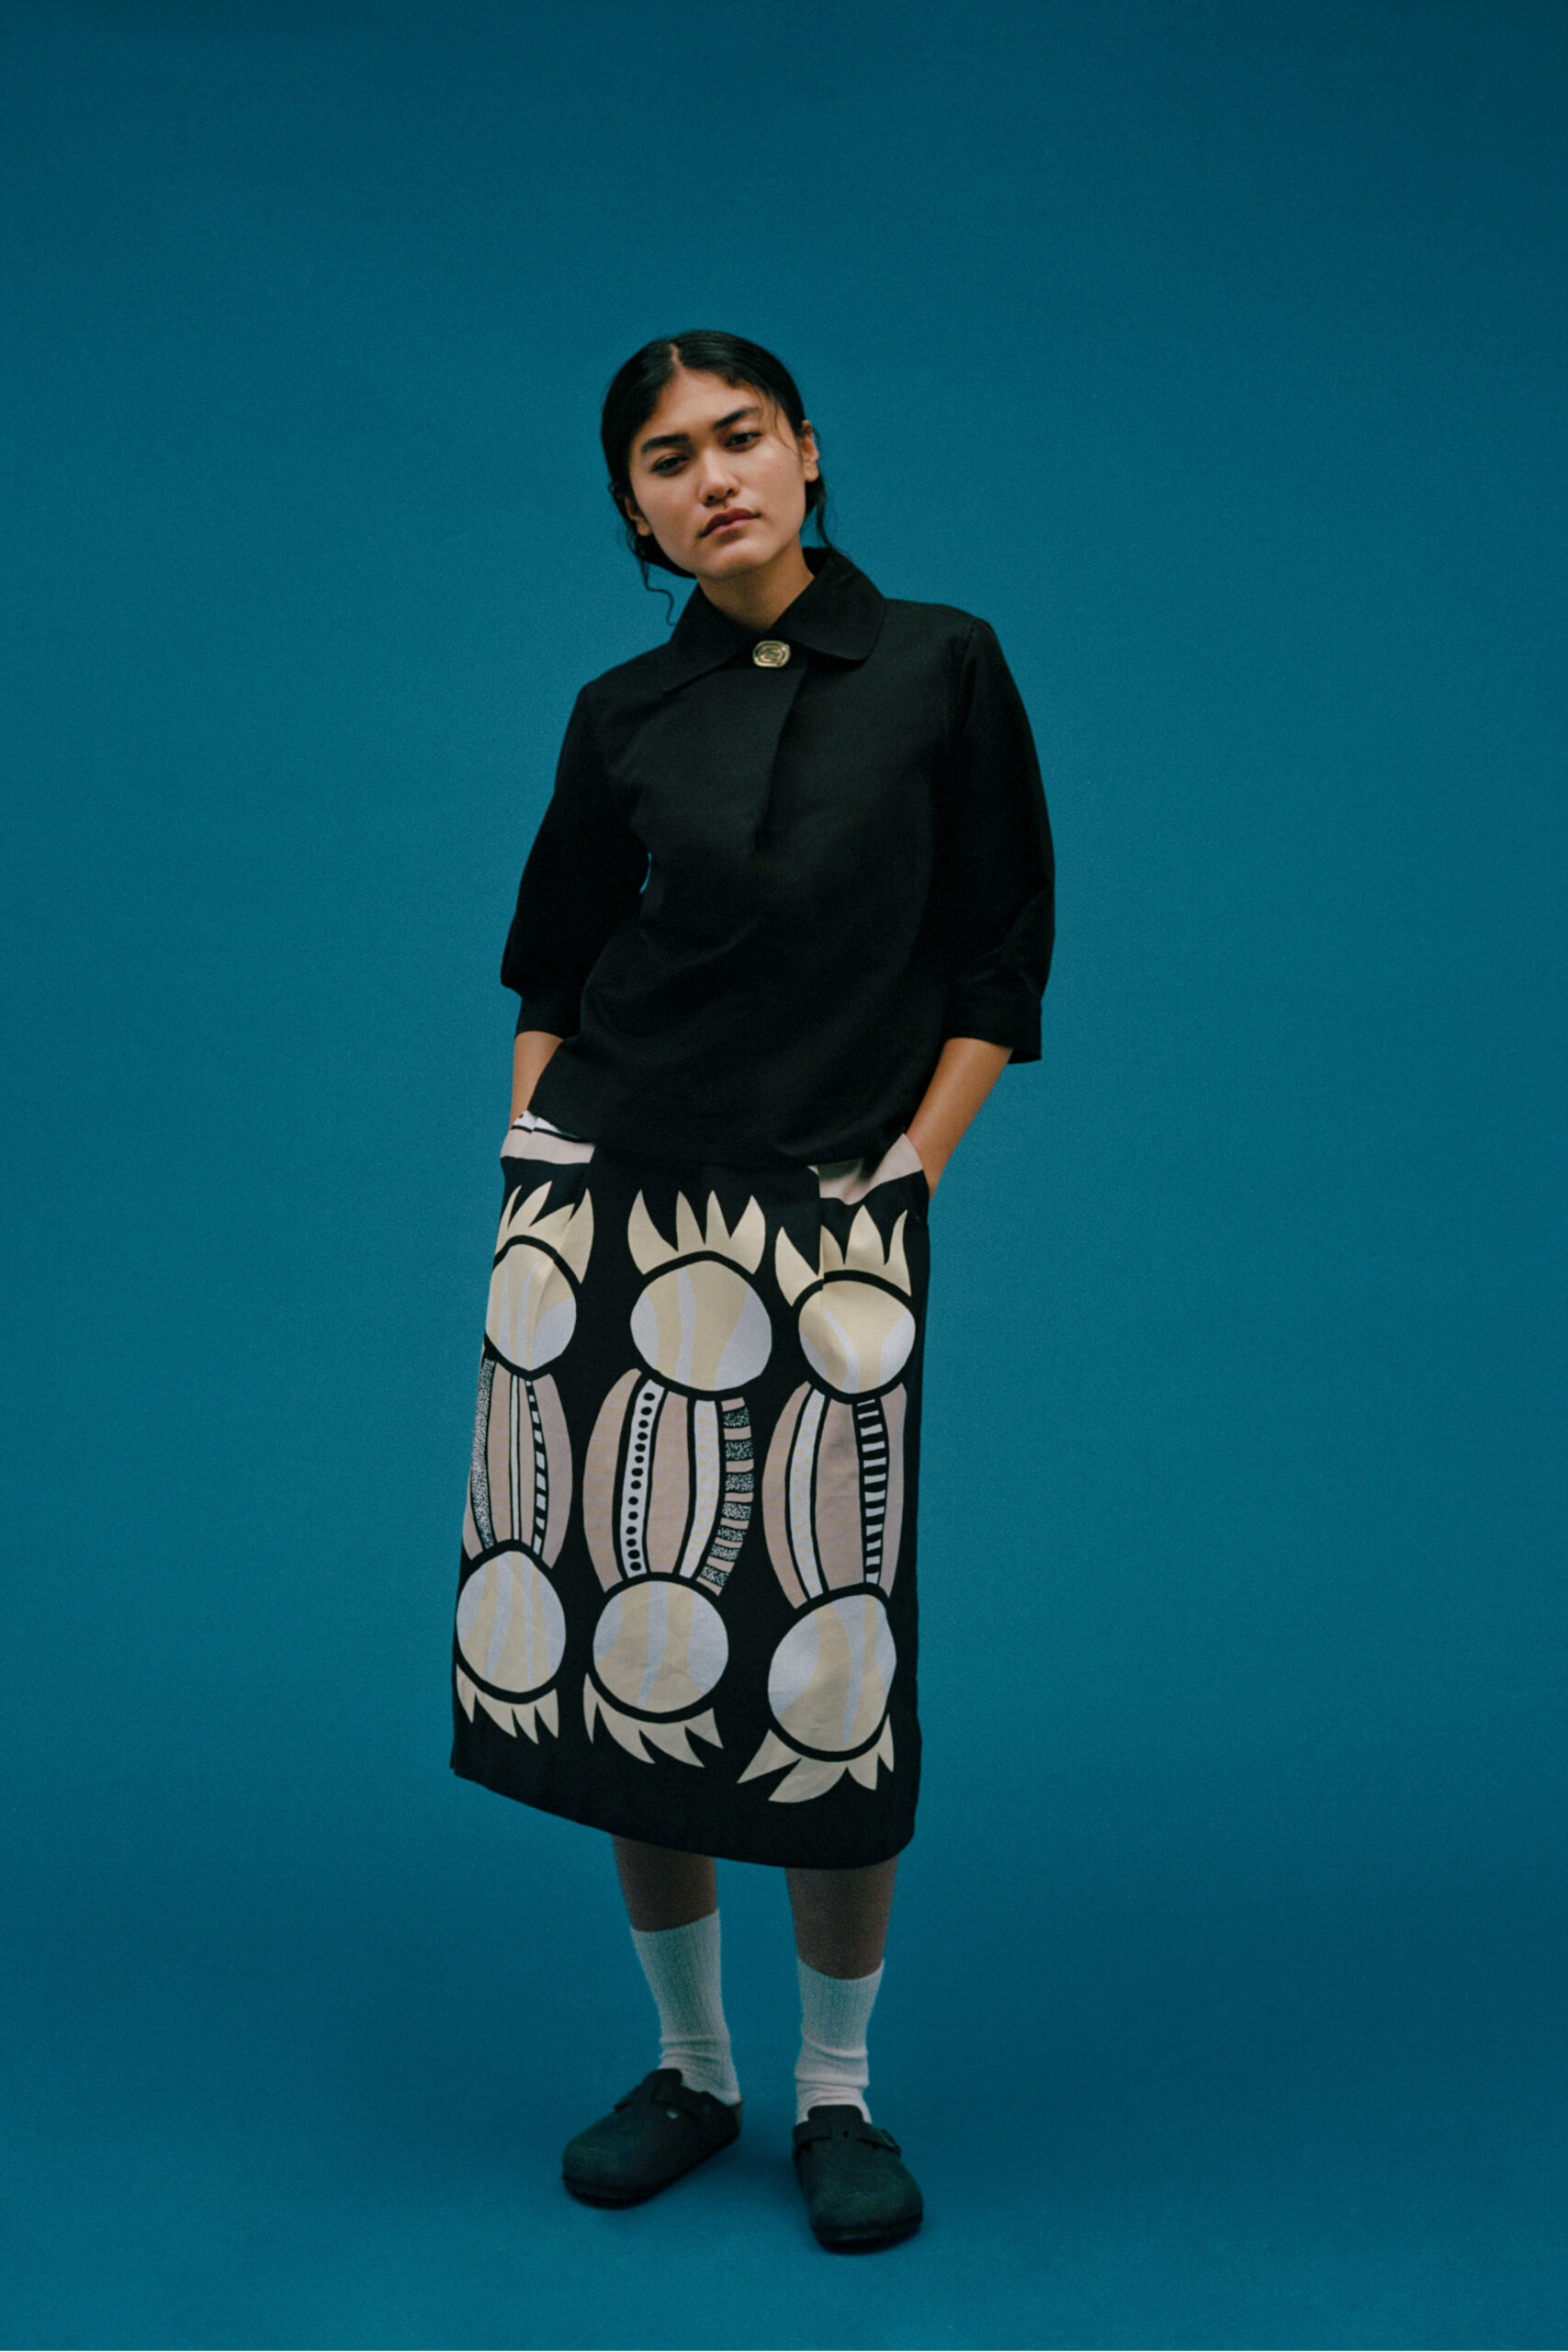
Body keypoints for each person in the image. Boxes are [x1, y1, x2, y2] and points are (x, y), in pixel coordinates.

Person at [449, 330, 1054, 2249]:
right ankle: (693, 2066)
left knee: (825, 1660)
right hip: (605, 1217)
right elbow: (552, 961)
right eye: (664, 458)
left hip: (826, 1210)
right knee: (637, 1647)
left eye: (738, 436)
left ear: (804, 452)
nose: (709, 476)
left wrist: (909, 1169)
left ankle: (834, 2092)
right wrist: (538, 1160)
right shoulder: (620, 709)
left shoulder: (942, 665)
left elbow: (999, 960)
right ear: (631, 510)